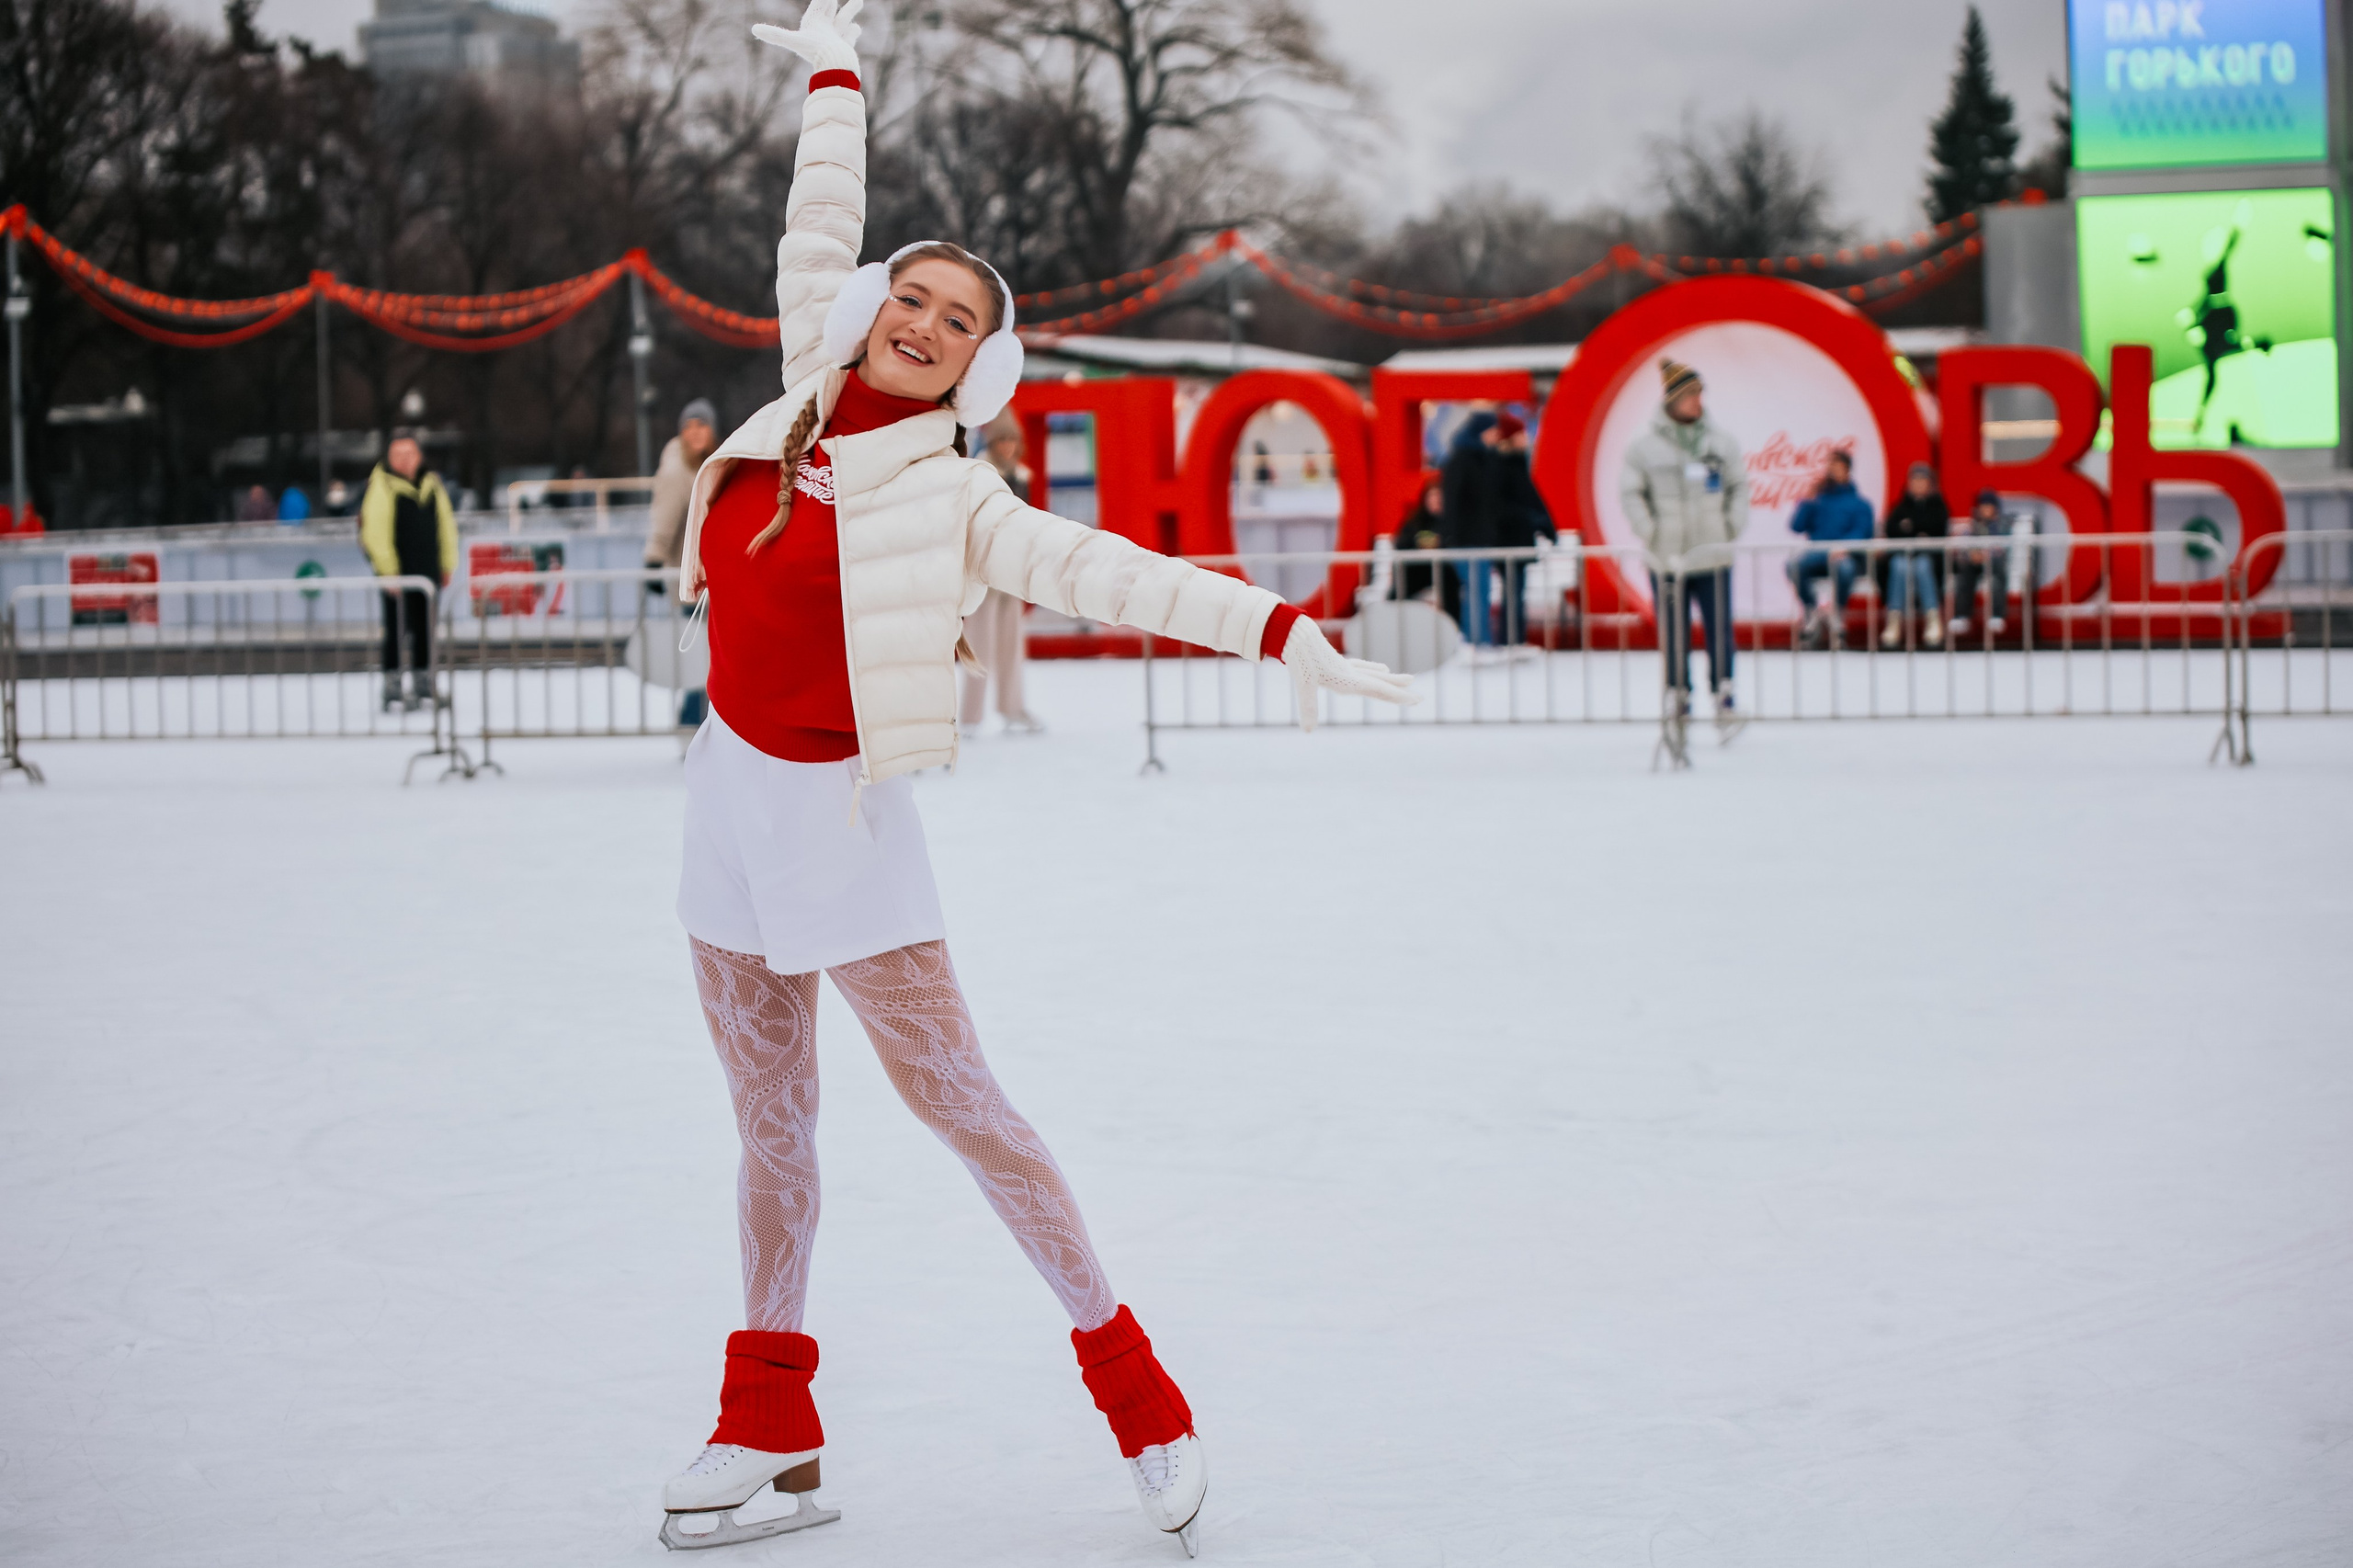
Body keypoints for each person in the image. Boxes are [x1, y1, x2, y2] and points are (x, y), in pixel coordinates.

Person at [654, 5, 1417, 1553]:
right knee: (772, 1136)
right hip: (724, 803)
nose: (920, 322)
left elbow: (1112, 571)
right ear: (871, 309)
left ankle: (1144, 1402)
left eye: (955, 317)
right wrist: (834, 55)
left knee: (976, 1120)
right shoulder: (802, 373)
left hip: (847, 831)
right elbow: (823, 196)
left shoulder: (954, 495)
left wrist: (1278, 627)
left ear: (977, 362)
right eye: (908, 297)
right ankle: (769, 1428)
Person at [1620, 358, 1747, 722]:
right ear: (1672, 400)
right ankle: (1678, 693)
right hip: (1667, 559)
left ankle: (1724, 692)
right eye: (1691, 394)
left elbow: (1739, 487)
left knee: (1719, 630)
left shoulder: (1721, 442)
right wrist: (1650, 531)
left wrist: (1730, 526)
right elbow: (1631, 492)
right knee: (1673, 633)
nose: (1698, 401)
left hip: (1713, 554)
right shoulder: (1643, 446)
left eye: (1700, 393)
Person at [959, 413, 1043, 733]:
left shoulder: (1021, 477)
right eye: (1003, 440)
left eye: (1013, 440)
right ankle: (970, 715)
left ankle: (1012, 707)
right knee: (980, 646)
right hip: (983, 569)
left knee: (1011, 643)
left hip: (1012, 569)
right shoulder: (980, 474)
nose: (1008, 446)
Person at [358, 433, 456, 712]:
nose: (404, 459)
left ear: (419, 456)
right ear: (389, 458)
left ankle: (424, 681)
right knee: (397, 630)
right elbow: (375, 532)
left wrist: (447, 563)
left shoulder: (432, 484)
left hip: (427, 573)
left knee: (426, 629)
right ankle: (392, 686)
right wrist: (388, 572)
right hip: (398, 576)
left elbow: (446, 526)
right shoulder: (382, 486)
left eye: (409, 453)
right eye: (397, 454)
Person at [648, 398, 722, 725]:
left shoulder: (711, 464)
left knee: (711, 652)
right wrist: (653, 558)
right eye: (688, 426)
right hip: (690, 575)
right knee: (700, 653)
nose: (695, 432)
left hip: (714, 574)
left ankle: (703, 717)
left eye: (701, 425)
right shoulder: (677, 470)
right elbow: (663, 516)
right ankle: (694, 717)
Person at [1786, 449, 1874, 648]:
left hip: (1845, 557)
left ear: (1847, 470)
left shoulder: (1860, 504)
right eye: (1830, 466)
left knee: (1844, 569)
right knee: (1793, 566)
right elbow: (1796, 526)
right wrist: (1806, 502)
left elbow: (1862, 532)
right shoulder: (1817, 500)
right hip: (1817, 556)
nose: (1832, 471)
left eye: (1837, 466)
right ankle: (1812, 610)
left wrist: (1844, 546)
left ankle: (1837, 612)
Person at [1487, 412, 1557, 649]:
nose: (1526, 438)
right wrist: (1535, 521)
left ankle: (1514, 638)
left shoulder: (1517, 464)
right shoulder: (1500, 467)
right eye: (1521, 434)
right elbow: (1508, 506)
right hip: (1507, 540)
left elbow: (1532, 499)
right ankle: (1510, 640)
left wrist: (1545, 525)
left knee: (1516, 591)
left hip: (1517, 538)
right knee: (1513, 592)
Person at [1439, 411, 1500, 651]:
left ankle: (1479, 638)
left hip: (1478, 537)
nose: (1496, 435)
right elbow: (1453, 501)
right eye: (1492, 430)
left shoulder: (1484, 458)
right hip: (1465, 539)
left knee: (1481, 590)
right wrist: (1451, 536)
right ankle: (1475, 640)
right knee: (1476, 590)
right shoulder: (1463, 459)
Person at [1880, 461, 1949, 648]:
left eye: (1922, 480)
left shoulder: (1938, 506)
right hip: (1903, 556)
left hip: (1930, 559)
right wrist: (1918, 532)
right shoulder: (1901, 506)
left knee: (1923, 566)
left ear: (1930, 483)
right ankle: (1894, 620)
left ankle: (1932, 618)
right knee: (1898, 565)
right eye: (1915, 480)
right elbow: (1893, 529)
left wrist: (1910, 528)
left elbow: (1937, 528)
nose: (1918, 484)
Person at [1387, 475, 1462, 620]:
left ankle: (1453, 626)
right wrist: (1418, 544)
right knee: (1398, 591)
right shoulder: (1415, 521)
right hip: (1418, 570)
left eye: (1439, 497)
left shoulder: (1451, 522)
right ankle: (1391, 621)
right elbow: (1401, 544)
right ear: (1425, 499)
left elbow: (1454, 544)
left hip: (1443, 569)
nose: (1436, 501)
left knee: (1451, 583)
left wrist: (1440, 544)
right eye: (1432, 497)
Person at [1949, 488, 2012, 640]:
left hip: (1994, 563)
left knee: (1998, 575)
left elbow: (2003, 546)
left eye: (1989, 506)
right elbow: (1964, 543)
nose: (1986, 510)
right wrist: (1971, 554)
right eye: (1983, 506)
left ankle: (1997, 614)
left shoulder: (2002, 525)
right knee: (1965, 574)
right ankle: (1962, 615)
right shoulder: (1972, 526)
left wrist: (1986, 554)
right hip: (1975, 562)